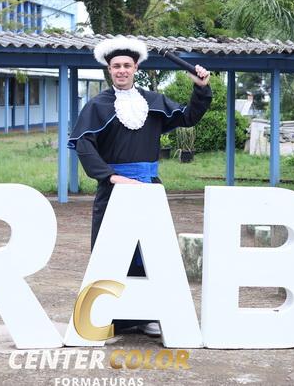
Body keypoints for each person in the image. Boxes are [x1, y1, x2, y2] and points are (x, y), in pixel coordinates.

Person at [67, 36, 212, 337]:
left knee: (150, 253)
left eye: (127, 65)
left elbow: (188, 116)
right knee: (111, 253)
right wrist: (109, 176)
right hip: (114, 189)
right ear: (109, 70)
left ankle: (147, 316)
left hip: (149, 188)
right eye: (116, 66)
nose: (121, 70)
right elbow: (84, 144)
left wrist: (201, 88)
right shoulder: (97, 105)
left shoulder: (153, 102)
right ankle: (110, 318)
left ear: (136, 69)